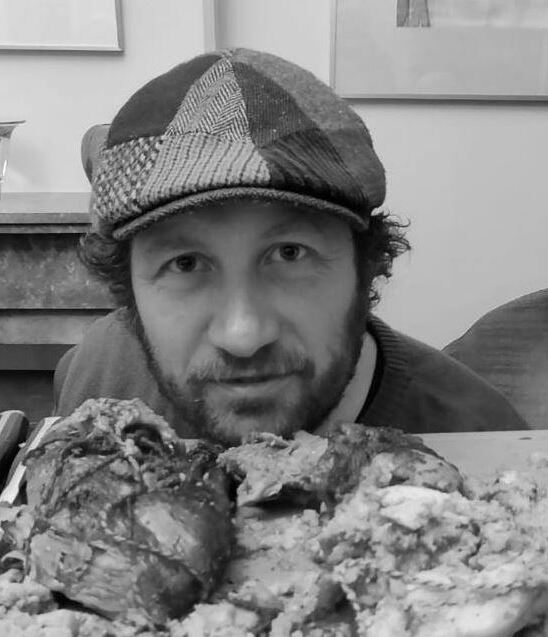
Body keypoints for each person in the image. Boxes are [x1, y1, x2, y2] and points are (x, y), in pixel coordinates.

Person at [53, 48, 527, 445]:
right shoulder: (101, 372)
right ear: (129, 290)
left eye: (289, 253)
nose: (243, 336)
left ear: (366, 265)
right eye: (186, 263)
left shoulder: (483, 440)